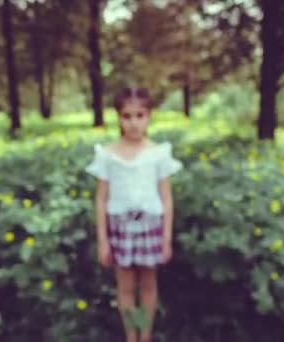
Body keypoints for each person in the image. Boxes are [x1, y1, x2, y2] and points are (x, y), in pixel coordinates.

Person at [85, 86, 183, 342]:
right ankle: (131, 336)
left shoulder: (158, 153)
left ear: (149, 116)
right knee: (126, 286)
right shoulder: (107, 154)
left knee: (149, 284)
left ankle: (146, 335)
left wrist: (166, 237)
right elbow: (101, 198)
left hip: (150, 225)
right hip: (120, 226)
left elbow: (166, 197)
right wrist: (103, 240)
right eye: (127, 116)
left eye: (140, 115)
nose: (134, 123)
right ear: (118, 117)